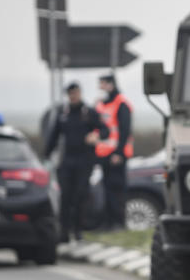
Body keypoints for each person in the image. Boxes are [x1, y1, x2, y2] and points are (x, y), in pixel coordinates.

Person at [45, 82, 109, 242]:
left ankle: (78, 229)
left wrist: (97, 136)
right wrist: (46, 156)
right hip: (67, 161)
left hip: (85, 161)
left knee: (80, 195)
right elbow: (53, 136)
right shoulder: (63, 113)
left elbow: (105, 129)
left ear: (80, 93)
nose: (73, 96)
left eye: (76, 93)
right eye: (70, 94)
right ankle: (64, 232)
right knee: (65, 196)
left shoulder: (89, 112)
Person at [95, 74, 134, 230]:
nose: (100, 87)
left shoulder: (121, 103)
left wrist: (118, 153)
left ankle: (119, 222)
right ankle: (108, 222)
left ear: (111, 84)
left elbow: (124, 131)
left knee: (117, 189)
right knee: (107, 189)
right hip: (104, 154)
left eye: (103, 84)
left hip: (117, 154)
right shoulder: (101, 104)